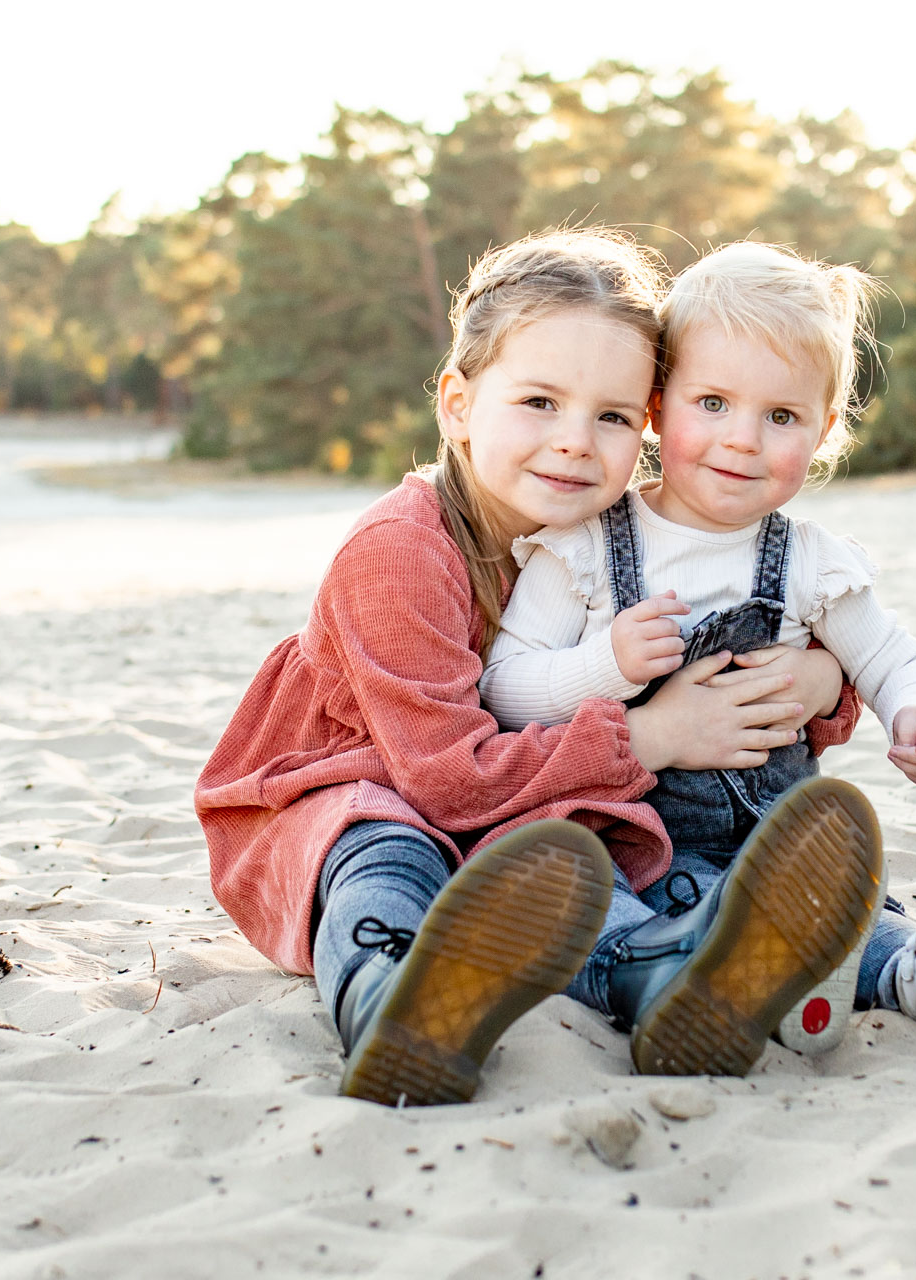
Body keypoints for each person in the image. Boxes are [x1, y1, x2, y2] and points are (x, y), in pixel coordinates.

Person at [195, 228, 868, 1107]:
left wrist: (823, 687)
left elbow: (746, 630)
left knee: (575, 851)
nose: (575, 443)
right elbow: (445, 785)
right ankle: (395, 1001)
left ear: (652, 422)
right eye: (540, 402)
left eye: (613, 416)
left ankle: (656, 980)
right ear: (457, 404)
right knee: (382, 842)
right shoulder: (401, 556)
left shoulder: (610, 544)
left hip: (510, 809)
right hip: (353, 789)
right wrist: (651, 735)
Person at [480, 241, 916, 1061]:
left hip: (786, 834)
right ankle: (777, 974)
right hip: (649, 842)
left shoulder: (809, 559)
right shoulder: (587, 549)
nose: (742, 440)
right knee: (641, 904)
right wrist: (607, 666)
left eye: (780, 418)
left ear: (824, 433)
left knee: (855, 913)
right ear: (659, 408)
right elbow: (503, 688)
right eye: (713, 403)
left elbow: (892, 657)